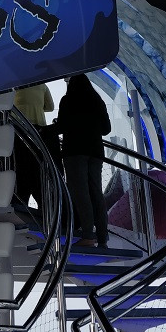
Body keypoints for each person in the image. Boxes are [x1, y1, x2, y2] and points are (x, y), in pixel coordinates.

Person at [55, 74, 111, 248]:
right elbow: (106, 129)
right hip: (95, 152)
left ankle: (87, 235)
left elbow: (61, 126)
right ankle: (102, 238)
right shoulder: (97, 101)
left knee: (81, 193)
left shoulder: (68, 100)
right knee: (96, 194)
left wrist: (47, 129)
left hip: (74, 151)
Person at [13, 84, 54, 208]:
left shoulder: (15, 85)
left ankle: (20, 202)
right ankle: (43, 206)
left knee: (20, 167)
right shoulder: (43, 85)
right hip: (38, 130)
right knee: (37, 168)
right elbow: (50, 107)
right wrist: (37, 105)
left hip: (19, 128)